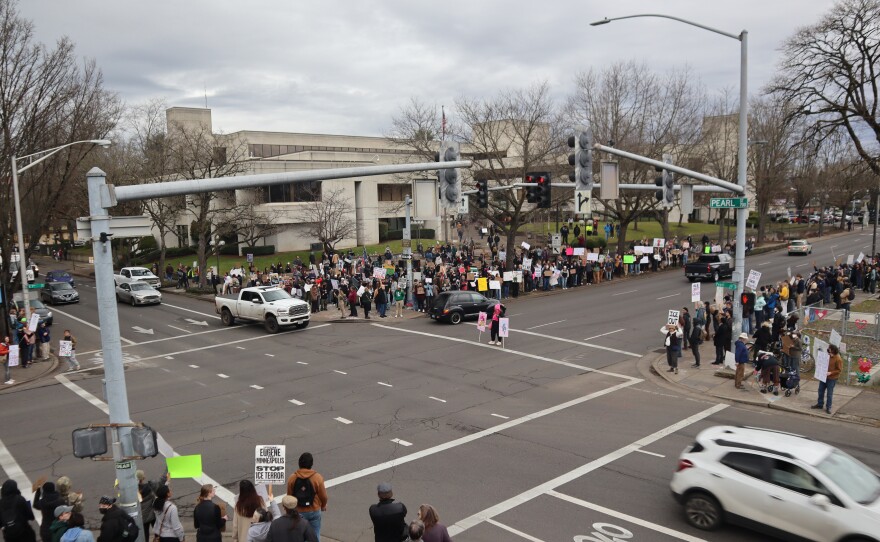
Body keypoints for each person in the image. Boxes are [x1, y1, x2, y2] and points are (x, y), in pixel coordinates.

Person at [286, 453, 327, 541]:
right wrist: (323, 505)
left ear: (299, 463)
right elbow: (323, 496)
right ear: (311, 464)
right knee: (315, 534)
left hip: (298, 511)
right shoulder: (317, 478)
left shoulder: (292, 478)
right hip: (314, 510)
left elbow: (289, 498)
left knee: (300, 536)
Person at [812, 344, 843, 415]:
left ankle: (828, 407)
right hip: (823, 377)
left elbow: (839, 370)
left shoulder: (838, 359)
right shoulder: (827, 356)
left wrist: (831, 373)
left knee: (829, 394)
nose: (828, 350)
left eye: (829, 349)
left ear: (833, 350)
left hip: (832, 379)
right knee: (820, 391)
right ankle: (820, 404)